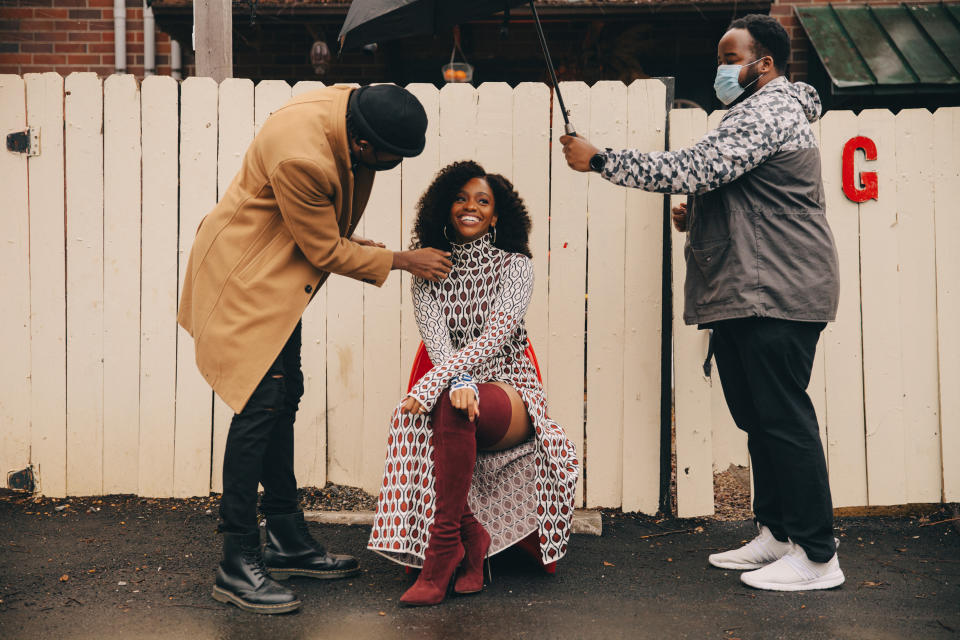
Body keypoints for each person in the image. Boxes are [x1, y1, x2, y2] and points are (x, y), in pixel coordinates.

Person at [560, 14, 844, 592]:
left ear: (762, 63)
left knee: (783, 420)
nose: (719, 68)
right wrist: (704, 211)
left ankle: (818, 556)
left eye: (729, 56)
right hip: (751, 288)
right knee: (758, 419)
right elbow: (744, 187)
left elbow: (697, 167)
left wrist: (601, 159)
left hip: (778, 289)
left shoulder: (770, 108)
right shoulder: (749, 113)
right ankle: (778, 533)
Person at [178, 84, 453, 614]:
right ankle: (237, 561)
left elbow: (325, 227)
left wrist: (361, 244)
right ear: (364, 144)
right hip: (247, 279)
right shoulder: (302, 156)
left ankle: (286, 538)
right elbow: (323, 247)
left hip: (278, 277)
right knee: (259, 407)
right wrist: (401, 259)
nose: (390, 167)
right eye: (389, 159)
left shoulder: (345, 112)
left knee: (285, 396)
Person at [367, 161, 580, 606]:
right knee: (445, 408)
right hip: (454, 385)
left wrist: (439, 383)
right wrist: (453, 380)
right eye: (461, 199)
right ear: (446, 209)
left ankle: (442, 552)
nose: (471, 207)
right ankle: (466, 539)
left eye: (483, 201)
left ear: (497, 216)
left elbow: (496, 338)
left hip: (509, 386)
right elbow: (437, 342)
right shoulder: (429, 270)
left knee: (440, 400)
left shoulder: (515, 266)